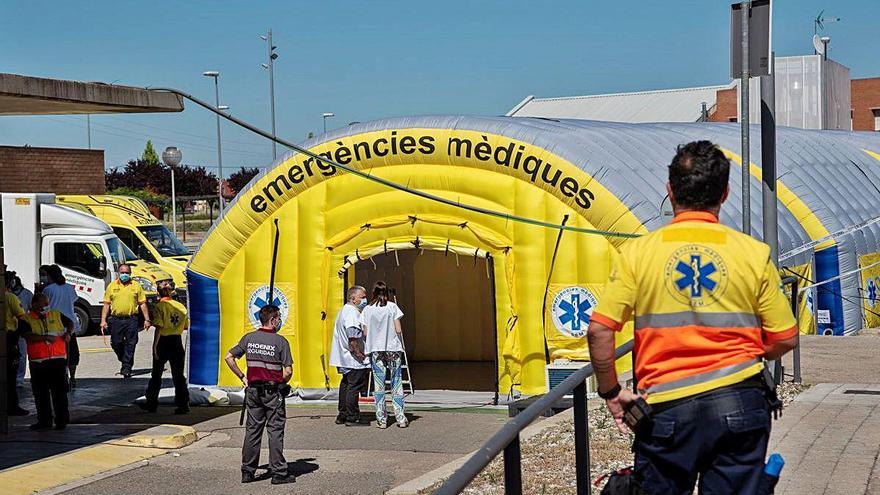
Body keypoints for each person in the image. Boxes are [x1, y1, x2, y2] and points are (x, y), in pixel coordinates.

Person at [587, 140, 799, 494]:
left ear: (670, 190)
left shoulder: (638, 253)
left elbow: (599, 331)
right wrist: (749, 351)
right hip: (740, 405)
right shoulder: (752, 253)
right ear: (725, 192)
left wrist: (611, 391)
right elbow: (786, 337)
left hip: (667, 413)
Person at [224, 304, 295, 485]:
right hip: (272, 393)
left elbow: (229, 357)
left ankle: (247, 471)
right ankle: (279, 472)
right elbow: (287, 372)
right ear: (272, 320)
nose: (279, 321)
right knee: (275, 431)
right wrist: (282, 383)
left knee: (253, 431)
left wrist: (242, 376)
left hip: (253, 391)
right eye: (278, 318)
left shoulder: (249, 339)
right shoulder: (280, 342)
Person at [20, 293, 73, 430]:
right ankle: (45, 421)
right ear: (34, 304)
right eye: (43, 304)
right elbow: (27, 336)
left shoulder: (55, 314)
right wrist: (44, 338)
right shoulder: (26, 319)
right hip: (39, 362)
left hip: (58, 360)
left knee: (60, 393)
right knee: (41, 393)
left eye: (47, 303)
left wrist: (68, 333)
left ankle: (62, 420)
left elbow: (70, 323)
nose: (46, 306)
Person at [362, 281, 408, 428]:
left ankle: (381, 419)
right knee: (396, 382)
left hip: (376, 349)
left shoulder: (368, 309)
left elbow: (365, 332)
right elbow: (398, 329)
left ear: (373, 293)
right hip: (392, 348)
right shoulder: (392, 307)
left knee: (379, 384)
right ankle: (400, 417)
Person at [143, 280, 190, 414]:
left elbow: (159, 327)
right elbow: (186, 325)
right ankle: (183, 404)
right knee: (178, 375)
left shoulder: (159, 307)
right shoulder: (180, 306)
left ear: (158, 293)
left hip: (163, 340)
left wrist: (154, 347)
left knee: (156, 374)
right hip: (176, 340)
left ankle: (151, 403)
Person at [329, 285, 371, 427]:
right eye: (362, 297)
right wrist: (359, 354)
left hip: (344, 357)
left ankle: (343, 414)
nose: (365, 300)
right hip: (352, 358)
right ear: (353, 299)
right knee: (354, 386)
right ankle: (352, 417)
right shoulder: (352, 313)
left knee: (346, 385)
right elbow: (352, 336)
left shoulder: (344, 311)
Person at [100, 263, 150, 378]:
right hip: (116, 320)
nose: (124, 275)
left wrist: (147, 319)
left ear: (130, 273)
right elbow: (106, 305)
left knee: (131, 344)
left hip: (131, 319)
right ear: (118, 273)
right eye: (122, 273)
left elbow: (142, 303)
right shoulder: (112, 286)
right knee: (116, 343)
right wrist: (103, 320)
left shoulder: (136, 286)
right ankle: (124, 359)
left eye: (126, 273)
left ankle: (126, 367)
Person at [41, 265, 81, 389]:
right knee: (72, 354)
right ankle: (72, 378)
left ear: (49, 276)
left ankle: (62, 377)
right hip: (70, 324)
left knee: (57, 355)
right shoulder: (69, 288)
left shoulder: (48, 290)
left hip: (55, 325)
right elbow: (74, 300)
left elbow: (44, 306)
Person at [4, 272, 28, 416]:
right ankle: (12, 406)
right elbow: (22, 317)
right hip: (9, 338)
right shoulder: (10, 297)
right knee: (10, 376)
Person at [7, 271, 32, 388]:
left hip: (17, 329)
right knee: (17, 356)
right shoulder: (10, 296)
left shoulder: (26, 294)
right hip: (12, 330)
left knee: (21, 355)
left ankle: (18, 378)